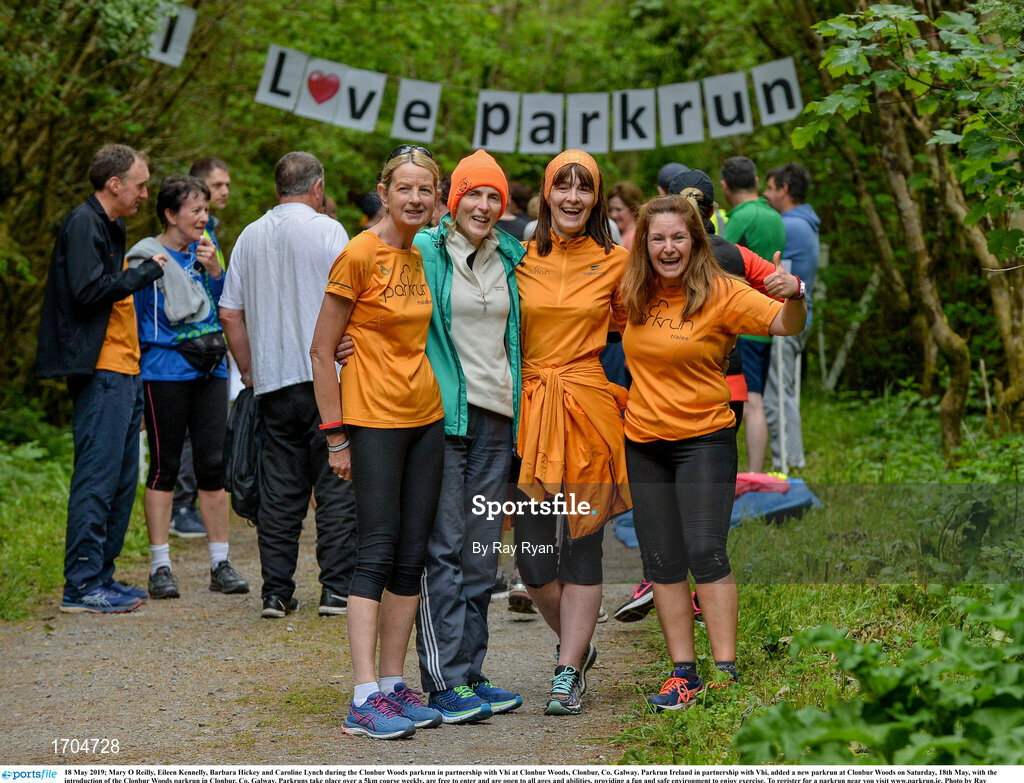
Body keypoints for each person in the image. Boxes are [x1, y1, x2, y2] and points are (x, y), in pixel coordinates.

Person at [618, 195, 805, 710]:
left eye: (678, 237)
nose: (668, 247)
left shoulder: (722, 292)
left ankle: (725, 671)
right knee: (662, 560)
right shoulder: (632, 291)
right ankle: (683, 673)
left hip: (703, 439)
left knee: (705, 550)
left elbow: (788, 325)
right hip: (644, 443)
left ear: (696, 240)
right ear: (644, 245)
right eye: (657, 238)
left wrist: (797, 293)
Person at [310, 144, 446, 740]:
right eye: (406, 189)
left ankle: (392, 685)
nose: (416, 199)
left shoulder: (418, 254)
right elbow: (321, 349)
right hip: (372, 420)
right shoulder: (358, 253)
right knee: (376, 549)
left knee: (410, 553)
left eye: (426, 190)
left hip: (425, 418)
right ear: (385, 192)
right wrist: (335, 435)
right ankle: (362, 695)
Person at [515, 149, 631, 716]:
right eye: (563, 187)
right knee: (534, 562)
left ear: (597, 199)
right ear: (546, 193)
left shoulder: (616, 261)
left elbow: (656, 323)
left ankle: (566, 670)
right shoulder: (516, 256)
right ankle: (577, 648)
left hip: (587, 410)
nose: (572, 198)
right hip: (529, 412)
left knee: (583, 547)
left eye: (584, 189)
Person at [219, 152, 358, 619]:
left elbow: (229, 312)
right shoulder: (328, 230)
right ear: (317, 187)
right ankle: (336, 590)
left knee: (279, 491)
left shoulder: (248, 235)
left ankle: (276, 592)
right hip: (325, 379)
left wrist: (250, 368)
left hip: (272, 379)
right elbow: (351, 300)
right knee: (335, 484)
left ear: (278, 187)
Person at [412, 150, 526, 721]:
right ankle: (443, 679)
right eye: (473, 195)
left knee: (482, 554)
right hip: (444, 420)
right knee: (445, 548)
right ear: (452, 200)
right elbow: (379, 302)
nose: (483, 206)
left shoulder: (513, 257)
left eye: (493, 198)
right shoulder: (425, 251)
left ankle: (472, 672)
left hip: (498, 422)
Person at [37, 144, 165, 613]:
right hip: (100, 370)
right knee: (97, 477)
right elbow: (87, 290)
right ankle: (81, 585)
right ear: (115, 184)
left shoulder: (112, 225)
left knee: (120, 479)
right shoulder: (83, 223)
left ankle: (102, 575)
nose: (144, 194)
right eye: (140, 185)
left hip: (126, 369)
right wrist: (143, 273)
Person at [129, 175, 248, 599]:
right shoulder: (145, 257)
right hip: (165, 371)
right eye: (195, 210)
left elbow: (227, 304)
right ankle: (161, 567)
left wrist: (216, 271)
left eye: (205, 209)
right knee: (163, 466)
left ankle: (220, 562)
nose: (204, 217)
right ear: (170, 214)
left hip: (212, 371)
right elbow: (135, 323)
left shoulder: (207, 251)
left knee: (213, 468)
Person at [169, 156, 233, 539]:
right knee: (187, 432)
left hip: (212, 345)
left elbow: (217, 289)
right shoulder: (184, 237)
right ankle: (180, 506)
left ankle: (190, 503)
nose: (225, 191)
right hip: (185, 348)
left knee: (207, 432)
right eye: (218, 185)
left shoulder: (214, 231)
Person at [720, 156, 785, 474]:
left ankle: (754, 473)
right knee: (759, 395)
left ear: (724, 187)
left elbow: (723, 263)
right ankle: (756, 471)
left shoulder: (740, 219)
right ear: (757, 182)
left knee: (751, 399)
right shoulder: (774, 216)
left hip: (744, 323)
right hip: (773, 319)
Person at [763, 163, 820, 472]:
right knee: (785, 393)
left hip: (787, 321)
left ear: (784, 189)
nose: (765, 195)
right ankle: (792, 459)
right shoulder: (806, 222)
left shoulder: (789, 225)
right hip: (798, 319)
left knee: (777, 396)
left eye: (770, 188)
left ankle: (785, 465)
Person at [607, 181, 643, 251]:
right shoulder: (621, 235)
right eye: (610, 209)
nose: (613, 215)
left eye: (618, 210)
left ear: (634, 210)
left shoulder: (634, 238)